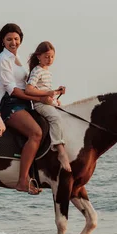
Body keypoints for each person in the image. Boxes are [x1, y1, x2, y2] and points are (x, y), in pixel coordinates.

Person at [0, 23, 52, 195]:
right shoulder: (2, 60)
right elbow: (13, 90)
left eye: (16, 39)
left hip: (24, 102)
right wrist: (40, 97)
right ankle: (22, 180)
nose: (13, 42)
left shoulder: (18, 58)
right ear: (3, 41)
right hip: (10, 104)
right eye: (9, 39)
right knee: (36, 133)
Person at [25, 41, 71, 172]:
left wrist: (56, 92)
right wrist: (48, 93)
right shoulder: (37, 70)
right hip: (40, 104)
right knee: (55, 118)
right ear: (39, 56)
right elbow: (29, 89)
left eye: (51, 57)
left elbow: (44, 89)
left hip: (48, 101)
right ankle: (60, 150)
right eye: (46, 56)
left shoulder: (47, 71)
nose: (49, 59)